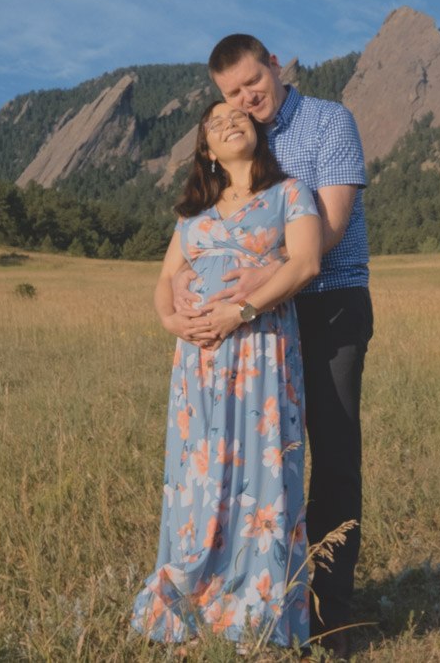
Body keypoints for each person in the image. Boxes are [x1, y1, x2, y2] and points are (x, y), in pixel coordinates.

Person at [176, 34, 372, 657]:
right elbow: (205, 228)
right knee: (264, 461)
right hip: (258, 327)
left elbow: (332, 227)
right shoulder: (240, 138)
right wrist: (185, 289)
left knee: (334, 457)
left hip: (328, 304)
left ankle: (330, 614)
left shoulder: (326, 123)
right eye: (231, 93)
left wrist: (269, 275)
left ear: (275, 65)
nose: (245, 98)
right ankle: (262, 599)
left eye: (252, 83)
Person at [131, 101, 322, 651]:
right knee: (199, 475)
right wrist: (173, 319)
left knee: (260, 476)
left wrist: (238, 311)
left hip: (260, 355)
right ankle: (192, 601)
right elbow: (165, 279)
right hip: (199, 363)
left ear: (258, 133)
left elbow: (305, 263)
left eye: (237, 115)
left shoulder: (290, 193)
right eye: (214, 122)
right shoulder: (193, 215)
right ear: (206, 150)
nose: (228, 121)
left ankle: (257, 612)